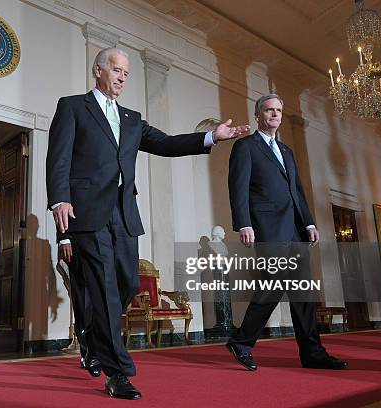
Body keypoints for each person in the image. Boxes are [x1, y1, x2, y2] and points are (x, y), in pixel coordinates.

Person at [46, 47, 250, 399]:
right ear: (98, 71)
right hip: (87, 213)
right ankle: (118, 372)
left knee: (125, 283)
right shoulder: (73, 107)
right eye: (117, 69)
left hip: (124, 214)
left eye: (126, 72)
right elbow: (59, 157)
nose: (123, 76)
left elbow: (167, 143)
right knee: (107, 290)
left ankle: (92, 340)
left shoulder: (131, 119)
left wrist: (210, 138)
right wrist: (59, 198)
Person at [226, 93, 348, 371]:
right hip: (268, 228)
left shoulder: (288, 152)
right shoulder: (246, 147)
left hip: (295, 230)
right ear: (258, 114)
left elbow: (297, 192)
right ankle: (242, 341)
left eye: (279, 110)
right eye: (269, 110)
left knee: (303, 292)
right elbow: (238, 188)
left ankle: (312, 353)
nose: (275, 115)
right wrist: (244, 223)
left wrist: (309, 223)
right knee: (272, 285)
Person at [56, 231, 100, 377]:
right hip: (77, 251)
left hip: (98, 250)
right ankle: (86, 352)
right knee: (82, 306)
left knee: (97, 307)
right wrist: (64, 240)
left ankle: (95, 351)